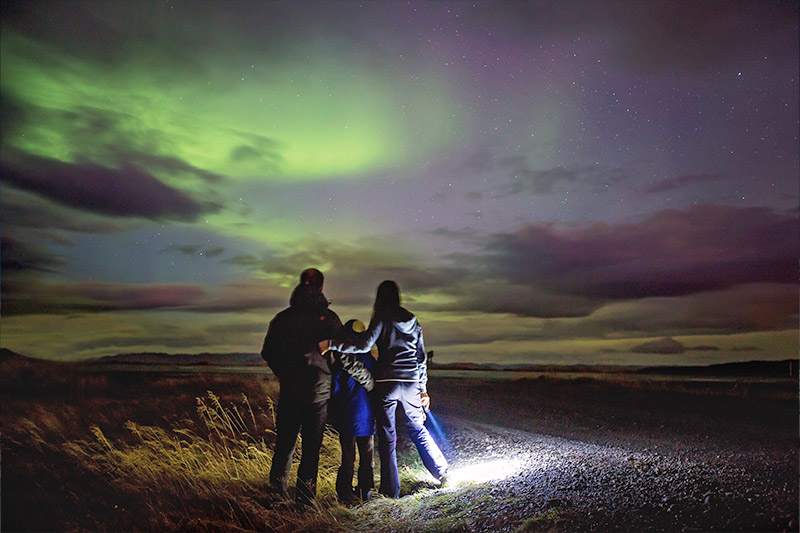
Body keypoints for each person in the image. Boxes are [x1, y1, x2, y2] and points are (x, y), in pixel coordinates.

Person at [320, 280, 448, 498]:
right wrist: (423, 389)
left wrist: (331, 344)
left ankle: (391, 491)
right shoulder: (413, 320)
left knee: (387, 437)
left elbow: (363, 346)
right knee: (418, 427)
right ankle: (441, 471)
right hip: (410, 384)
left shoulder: (381, 317)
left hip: (386, 383)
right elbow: (420, 358)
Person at [261, 268, 374, 505]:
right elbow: (345, 357)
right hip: (318, 392)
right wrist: (368, 381)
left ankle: (275, 494)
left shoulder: (282, 319)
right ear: (321, 288)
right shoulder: (329, 319)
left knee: (284, 445)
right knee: (311, 448)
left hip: (290, 390)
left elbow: (268, 352)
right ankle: (305, 500)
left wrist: (284, 373)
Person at [328, 319, 376, 503]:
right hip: (368, 415)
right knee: (367, 455)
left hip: (348, 414)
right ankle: (365, 491)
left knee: (348, 456)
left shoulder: (341, 361)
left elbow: (335, 389)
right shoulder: (370, 358)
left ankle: (345, 492)